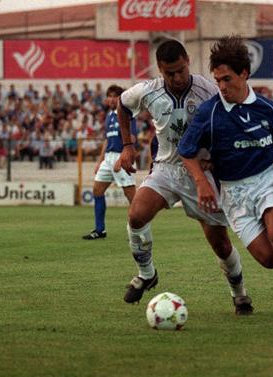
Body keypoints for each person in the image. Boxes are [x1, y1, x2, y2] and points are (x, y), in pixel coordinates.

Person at [178, 35, 273, 325]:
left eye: (227, 79)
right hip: (233, 193)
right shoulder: (209, 112)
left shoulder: (267, 107)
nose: (222, 86)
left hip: (268, 181)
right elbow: (186, 152)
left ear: (244, 74)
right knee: (269, 259)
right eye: (218, 81)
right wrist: (203, 183)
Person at [114, 39, 253, 315]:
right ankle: (146, 274)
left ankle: (240, 295)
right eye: (169, 73)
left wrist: (217, 156)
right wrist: (127, 146)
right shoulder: (148, 91)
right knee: (136, 216)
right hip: (166, 168)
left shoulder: (209, 90)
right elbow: (122, 105)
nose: (177, 78)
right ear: (159, 69)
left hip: (200, 173)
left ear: (188, 60)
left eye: (180, 70)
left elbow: (231, 120)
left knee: (221, 243)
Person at [83, 85, 137, 240]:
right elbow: (108, 140)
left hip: (122, 157)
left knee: (132, 196)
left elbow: (132, 138)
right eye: (110, 96)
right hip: (108, 158)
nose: (112, 99)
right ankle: (100, 230)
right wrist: (100, 161)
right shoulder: (109, 116)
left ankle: (137, 231)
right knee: (97, 190)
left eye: (115, 96)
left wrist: (122, 158)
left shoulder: (127, 114)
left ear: (121, 98)